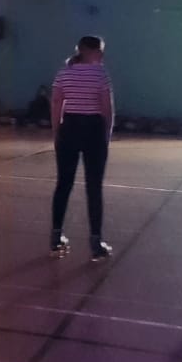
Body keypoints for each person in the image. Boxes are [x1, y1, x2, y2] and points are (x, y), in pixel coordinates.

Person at [49, 36, 115, 260]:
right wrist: (106, 134)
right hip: (93, 129)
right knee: (94, 187)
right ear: (91, 52)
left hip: (69, 128)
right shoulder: (100, 74)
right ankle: (96, 242)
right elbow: (107, 108)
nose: (103, 56)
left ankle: (55, 237)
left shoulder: (64, 72)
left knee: (63, 184)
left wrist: (57, 132)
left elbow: (57, 102)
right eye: (100, 51)